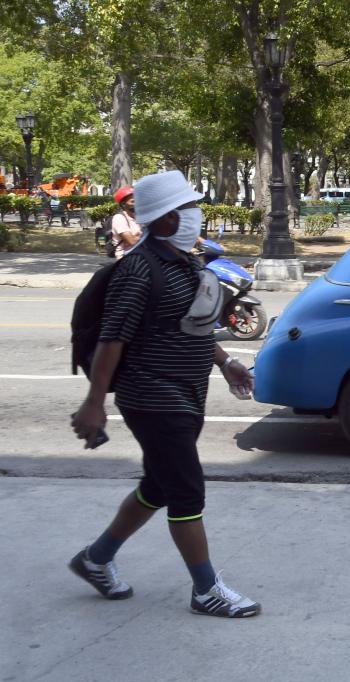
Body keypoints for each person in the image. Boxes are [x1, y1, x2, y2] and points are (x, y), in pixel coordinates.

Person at [69, 170, 261, 618]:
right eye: (189, 207)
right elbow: (112, 339)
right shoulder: (137, 270)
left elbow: (191, 328)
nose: (197, 214)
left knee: (158, 485)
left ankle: (95, 559)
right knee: (187, 492)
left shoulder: (184, 264)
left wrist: (225, 361)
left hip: (185, 392)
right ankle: (205, 590)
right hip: (153, 397)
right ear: (170, 220)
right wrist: (94, 403)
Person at [110, 186, 141, 259]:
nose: (136, 203)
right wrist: (145, 234)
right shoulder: (119, 218)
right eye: (133, 201)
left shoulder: (138, 217)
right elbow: (132, 241)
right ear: (123, 204)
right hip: (125, 259)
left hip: (140, 255)